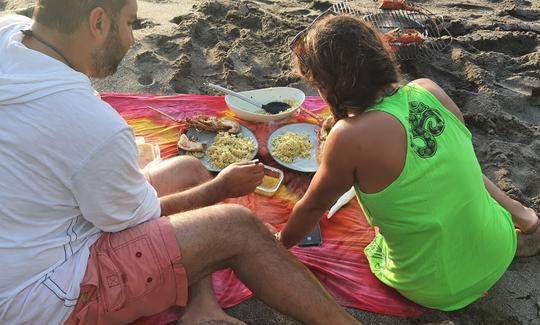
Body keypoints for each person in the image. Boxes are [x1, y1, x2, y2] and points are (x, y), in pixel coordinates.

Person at [0, 1, 363, 324]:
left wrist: (203, 187)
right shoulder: (92, 125)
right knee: (236, 226)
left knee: (190, 170)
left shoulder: (11, 30)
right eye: (130, 23)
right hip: (45, 293)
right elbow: (139, 222)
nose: (131, 39)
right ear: (97, 23)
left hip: (31, 236)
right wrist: (219, 189)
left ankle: (201, 309)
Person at [279, 13, 540, 311]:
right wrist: (523, 216)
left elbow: (313, 206)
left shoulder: (349, 138)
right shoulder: (428, 90)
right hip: (499, 249)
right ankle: (524, 222)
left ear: (328, 86)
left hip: (433, 286)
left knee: (373, 232)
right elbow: (463, 163)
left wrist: (278, 243)